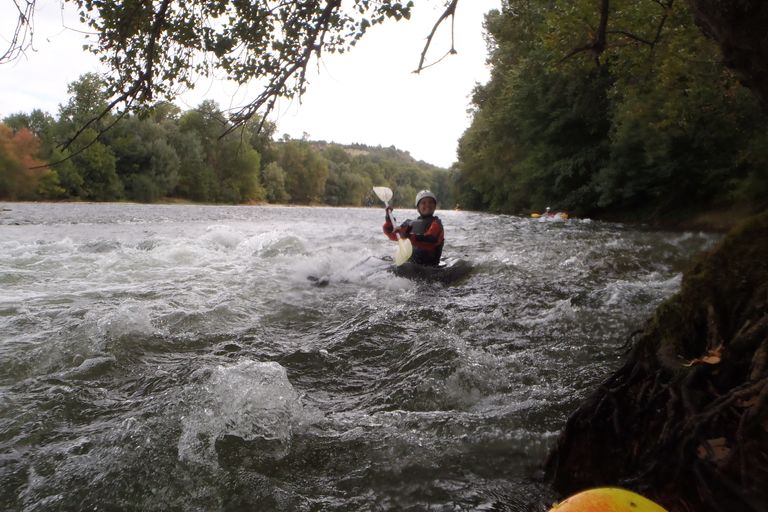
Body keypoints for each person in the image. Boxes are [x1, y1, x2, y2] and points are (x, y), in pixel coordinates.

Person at [383, 190, 445, 265]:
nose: (428, 205)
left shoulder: (437, 224)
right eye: (423, 203)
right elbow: (392, 234)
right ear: (418, 208)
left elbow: (430, 240)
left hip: (430, 266)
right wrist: (389, 219)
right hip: (412, 263)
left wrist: (409, 237)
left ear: (435, 206)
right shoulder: (409, 223)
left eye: (430, 202)